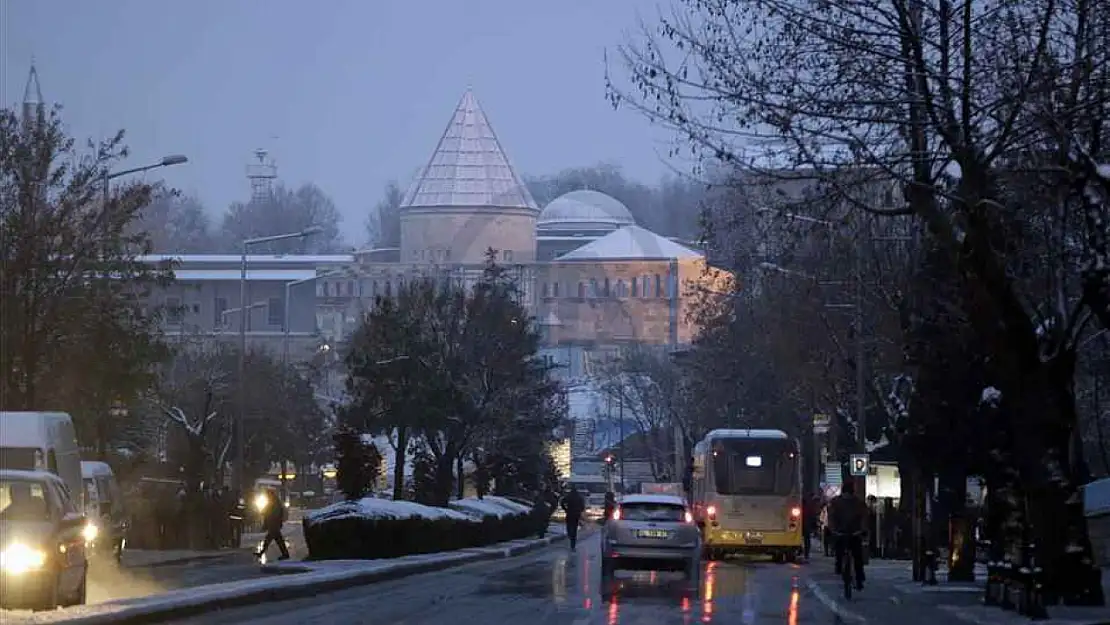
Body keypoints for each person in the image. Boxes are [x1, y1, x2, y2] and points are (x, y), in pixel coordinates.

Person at [827, 481, 869, 590]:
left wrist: (833, 530)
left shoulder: (835, 502)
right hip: (853, 533)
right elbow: (864, 517)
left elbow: (831, 517)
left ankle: (841, 568)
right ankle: (859, 577)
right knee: (857, 556)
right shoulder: (858, 503)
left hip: (843, 533)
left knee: (841, 552)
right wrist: (862, 530)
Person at [256, 489, 290, 561]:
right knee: (276, 540)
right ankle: (285, 554)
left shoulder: (274, 502)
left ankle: (262, 553)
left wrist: (265, 514)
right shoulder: (273, 501)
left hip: (274, 524)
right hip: (274, 524)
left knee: (270, 539)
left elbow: (272, 513)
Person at [561, 486, 586, 550]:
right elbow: (583, 506)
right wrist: (579, 510)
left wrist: (565, 509)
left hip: (569, 513)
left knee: (569, 526)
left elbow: (562, 502)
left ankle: (569, 535)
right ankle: (573, 544)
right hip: (576, 515)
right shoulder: (579, 497)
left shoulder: (569, 496)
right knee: (574, 529)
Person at [802, 493, 821, 560]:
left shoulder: (804, 507)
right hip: (807, 525)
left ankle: (801, 552)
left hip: (801, 526)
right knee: (807, 540)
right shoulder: (809, 507)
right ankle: (806, 554)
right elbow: (813, 516)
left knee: (803, 539)